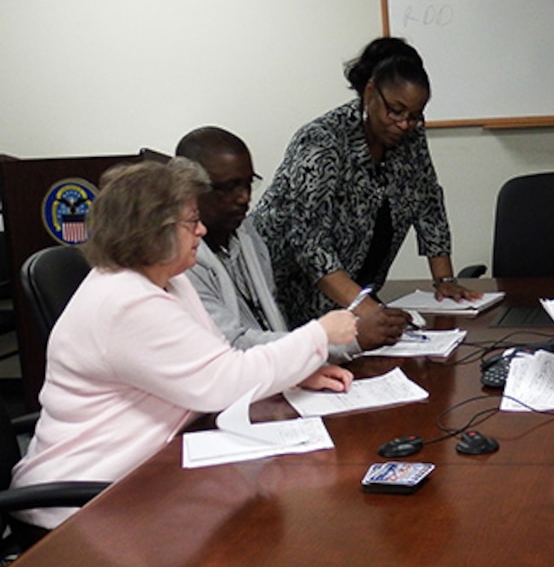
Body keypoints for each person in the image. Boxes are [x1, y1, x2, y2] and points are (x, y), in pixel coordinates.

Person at [10, 158, 358, 538]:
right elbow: (226, 383)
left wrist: (297, 372)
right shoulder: (125, 302)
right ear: (152, 231)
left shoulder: (169, 282)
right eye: (191, 221)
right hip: (83, 508)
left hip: (145, 478)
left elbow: (217, 362)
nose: (202, 229)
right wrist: (320, 334)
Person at [252, 37, 479, 328]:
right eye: (396, 111)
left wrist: (444, 279)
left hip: (353, 294)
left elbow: (428, 202)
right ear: (370, 91)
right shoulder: (322, 142)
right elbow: (310, 244)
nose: (404, 124)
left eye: (415, 116)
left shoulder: (409, 136)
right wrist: (363, 307)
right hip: (285, 293)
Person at [175, 126, 409, 357]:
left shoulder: (246, 233)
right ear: (188, 189)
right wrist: (345, 340)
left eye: (248, 183)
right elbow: (232, 346)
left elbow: (271, 321)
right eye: (228, 188)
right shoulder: (179, 262)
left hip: (273, 373)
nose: (244, 197)